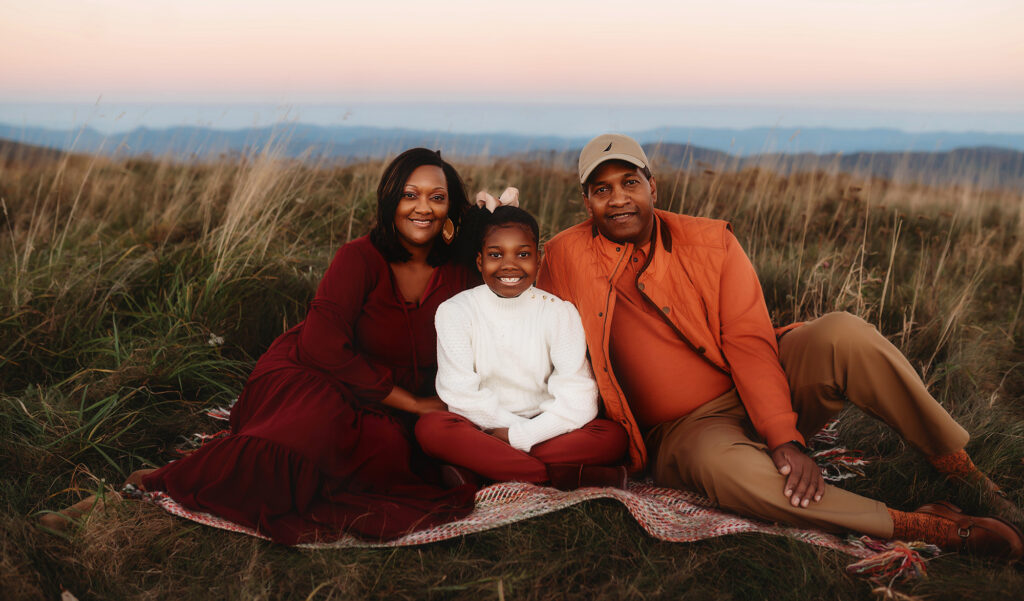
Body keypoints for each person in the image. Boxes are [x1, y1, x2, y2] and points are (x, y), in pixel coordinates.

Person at [536, 133, 1023, 559]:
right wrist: (479, 225)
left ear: (652, 186)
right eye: (602, 189)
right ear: (587, 200)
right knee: (731, 474)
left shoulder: (709, 242)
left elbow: (749, 341)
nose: (618, 199)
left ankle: (962, 471)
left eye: (629, 183)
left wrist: (785, 438)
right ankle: (923, 525)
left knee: (843, 333)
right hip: (684, 432)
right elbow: (507, 288)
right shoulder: (563, 257)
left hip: (759, 386)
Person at [42, 148, 496, 544]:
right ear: (390, 199)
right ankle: (147, 485)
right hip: (317, 373)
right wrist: (415, 404)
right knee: (305, 438)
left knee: (383, 453)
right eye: (409, 195)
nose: (423, 208)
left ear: (451, 210)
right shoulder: (359, 258)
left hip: (383, 400)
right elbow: (322, 345)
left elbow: (512, 256)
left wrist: (489, 217)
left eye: (437, 198)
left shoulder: (460, 266)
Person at [415, 206, 629, 489]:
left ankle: (483, 470)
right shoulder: (455, 311)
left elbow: (580, 396)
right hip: (481, 425)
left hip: (546, 428)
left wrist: (520, 436)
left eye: (523, 254)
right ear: (479, 261)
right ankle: (557, 475)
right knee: (431, 429)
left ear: (538, 261)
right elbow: (460, 394)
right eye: (495, 254)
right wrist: (501, 429)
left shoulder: (558, 311)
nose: (509, 265)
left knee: (612, 437)